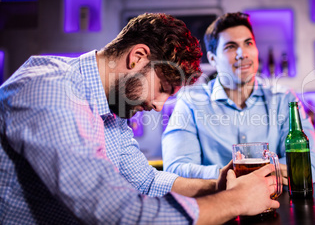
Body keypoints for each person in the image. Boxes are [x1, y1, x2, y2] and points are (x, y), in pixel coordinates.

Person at [0, 13, 280, 224]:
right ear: (137, 57)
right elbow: (117, 211)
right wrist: (234, 201)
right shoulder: (52, 93)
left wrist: (216, 186)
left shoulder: (112, 107)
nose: (159, 107)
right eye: (162, 90)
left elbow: (146, 181)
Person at [162, 12, 315, 183]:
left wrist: (230, 176)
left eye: (248, 43)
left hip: (277, 206)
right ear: (212, 58)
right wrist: (257, 173)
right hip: (219, 207)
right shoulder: (190, 103)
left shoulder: (283, 99)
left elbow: (306, 168)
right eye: (230, 46)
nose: (242, 53)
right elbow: (175, 170)